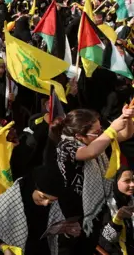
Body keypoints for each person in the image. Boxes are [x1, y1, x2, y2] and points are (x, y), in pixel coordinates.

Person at [51, 108, 134, 254]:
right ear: (79, 136)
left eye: (101, 129)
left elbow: (126, 134)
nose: (101, 134)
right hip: (69, 215)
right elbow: (90, 152)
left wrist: (126, 118)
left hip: (93, 214)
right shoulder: (65, 146)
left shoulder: (98, 141)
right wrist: (111, 129)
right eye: (96, 132)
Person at [0, 165, 75, 255]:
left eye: (51, 201)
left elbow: (48, 233)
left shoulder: (54, 202)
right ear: (33, 188)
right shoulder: (12, 198)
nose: (45, 203)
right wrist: (3, 247)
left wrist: (65, 230)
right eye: (43, 197)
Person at [100, 167, 134, 254]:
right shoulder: (104, 205)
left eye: (133, 180)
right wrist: (118, 218)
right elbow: (105, 241)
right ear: (114, 182)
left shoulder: (131, 200)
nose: (132, 184)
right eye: (127, 181)